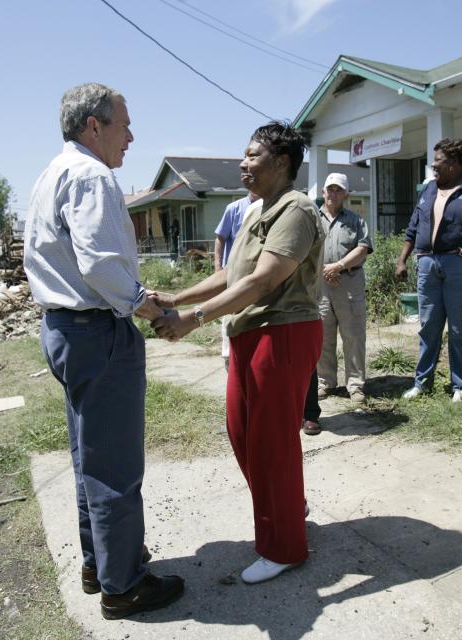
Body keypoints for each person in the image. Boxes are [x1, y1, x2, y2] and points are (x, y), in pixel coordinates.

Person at [23, 82, 184, 620]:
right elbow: (98, 264)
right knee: (114, 466)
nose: (131, 136)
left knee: (89, 457)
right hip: (96, 331)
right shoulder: (92, 175)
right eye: (124, 124)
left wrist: (135, 296)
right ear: (94, 126)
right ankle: (124, 585)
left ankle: (100, 562)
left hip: (67, 330)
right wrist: (147, 306)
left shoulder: (53, 172)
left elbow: (76, 262)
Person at [151, 122, 324, 584]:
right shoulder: (257, 209)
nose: (242, 164)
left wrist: (194, 319)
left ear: (281, 161)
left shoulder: (296, 208)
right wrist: (176, 299)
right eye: (242, 156)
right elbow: (232, 273)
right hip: (251, 332)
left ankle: (284, 546)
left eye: (251, 155)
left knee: (271, 444)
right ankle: (287, 507)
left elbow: (262, 280)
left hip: (283, 332)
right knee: (242, 432)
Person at [396, 139, 462, 402]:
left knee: (460, 328)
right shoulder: (429, 189)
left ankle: (461, 385)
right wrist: (402, 259)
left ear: (455, 163)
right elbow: (414, 226)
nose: (433, 164)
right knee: (428, 326)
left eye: (439, 160)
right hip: (427, 264)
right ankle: (422, 382)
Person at [316, 172, 373, 405]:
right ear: (323, 192)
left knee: (353, 337)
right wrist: (324, 270)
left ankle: (356, 385)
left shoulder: (356, 220)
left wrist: (338, 266)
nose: (333, 193)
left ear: (346, 194)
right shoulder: (312, 218)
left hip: (348, 283)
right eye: (330, 189)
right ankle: (325, 381)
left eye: (338, 189)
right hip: (320, 285)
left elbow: (363, 248)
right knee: (322, 336)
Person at [214, 191, 259, 368]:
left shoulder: (271, 206)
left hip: (257, 276)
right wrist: (218, 268)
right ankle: (228, 358)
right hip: (232, 275)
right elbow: (220, 238)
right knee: (229, 313)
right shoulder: (234, 208)